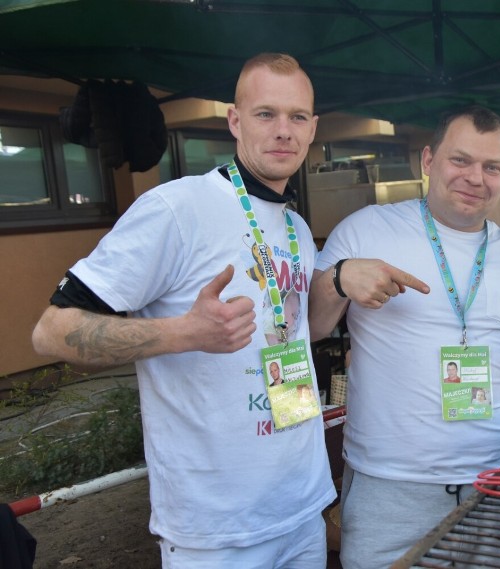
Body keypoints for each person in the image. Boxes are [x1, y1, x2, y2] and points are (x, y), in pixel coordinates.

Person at [31, 53, 336, 568]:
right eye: (266, 114)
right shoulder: (177, 208)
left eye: (297, 117)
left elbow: (298, 334)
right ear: (235, 122)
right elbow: (52, 332)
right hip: (215, 531)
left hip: (301, 509)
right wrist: (184, 334)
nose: (284, 131)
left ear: (312, 129)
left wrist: (342, 282)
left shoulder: (296, 229)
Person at [308, 105, 500, 568]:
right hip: (391, 489)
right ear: (428, 161)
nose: (475, 177)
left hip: (494, 484)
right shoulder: (366, 229)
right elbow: (308, 326)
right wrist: (339, 278)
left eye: (491, 166)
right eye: (461, 160)